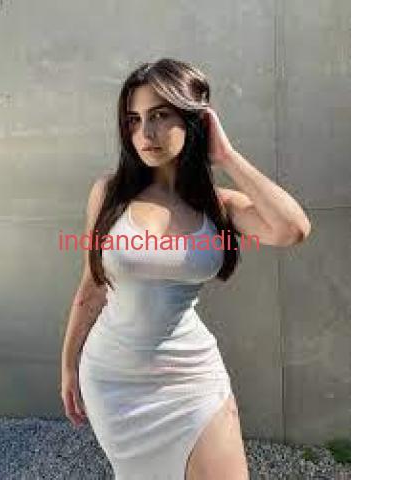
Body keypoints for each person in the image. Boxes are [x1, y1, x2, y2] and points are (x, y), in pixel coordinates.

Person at [60, 58, 311, 479]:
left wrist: (227, 156)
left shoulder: (219, 205)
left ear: (194, 119)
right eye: (134, 119)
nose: (146, 132)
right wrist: (69, 366)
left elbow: (292, 229)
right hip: (114, 379)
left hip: (193, 377)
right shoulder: (108, 194)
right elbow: (91, 287)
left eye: (160, 115)